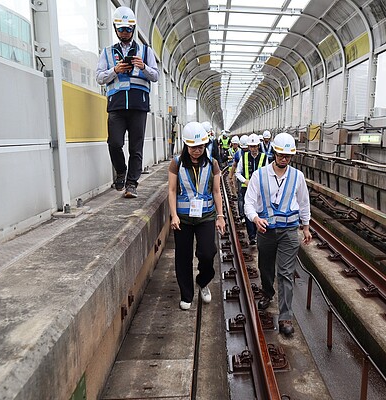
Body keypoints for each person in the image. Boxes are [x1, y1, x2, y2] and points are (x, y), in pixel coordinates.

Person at [244, 132, 312, 336]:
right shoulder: (259, 175)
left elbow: (303, 203)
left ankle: (285, 317)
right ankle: (267, 291)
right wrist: (255, 219)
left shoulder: (297, 177)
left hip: (289, 232)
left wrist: (306, 227)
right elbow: (248, 202)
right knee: (265, 266)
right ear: (274, 152)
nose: (284, 159)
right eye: (281, 155)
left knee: (285, 273)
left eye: (288, 156)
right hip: (266, 231)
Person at [96, 6, 159, 198]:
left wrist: (143, 66)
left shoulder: (146, 51)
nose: (125, 32)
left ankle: (131, 184)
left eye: (128, 29)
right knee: (114, 143)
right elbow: (99, 77)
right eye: (121, 29)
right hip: (116, 105)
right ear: (116, 29)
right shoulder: (107, 52)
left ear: (133, 29)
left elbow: (155, 76)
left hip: (138, 105)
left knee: (135, 147)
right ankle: (121, 171)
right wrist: (115, 70)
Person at [168, 122, 226, 310]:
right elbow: (172, 190)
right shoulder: (176, 163)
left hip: (206, 217)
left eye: (200, 146)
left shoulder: (213, 163)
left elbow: (216, 191)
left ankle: (203, 281)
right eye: (193, 147)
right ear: (186, 145)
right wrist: (174, 215)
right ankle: (186, 294)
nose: (197, 151)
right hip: (183, 219)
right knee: (183, 257)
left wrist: (220, 216)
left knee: (207, 253)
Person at [235, 133, 268, 245]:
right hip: (246, 189)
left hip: (260, 190)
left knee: (259, 210)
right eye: (251, 146)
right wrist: (245, 181)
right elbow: (237, 173)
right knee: (249, 210)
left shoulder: (264, 157)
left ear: (258, 146)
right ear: (248, 147)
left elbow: (268, 173)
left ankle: (260, 232)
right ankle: (252, 236)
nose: (253, 149)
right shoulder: (243, 157)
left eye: (255, 146)